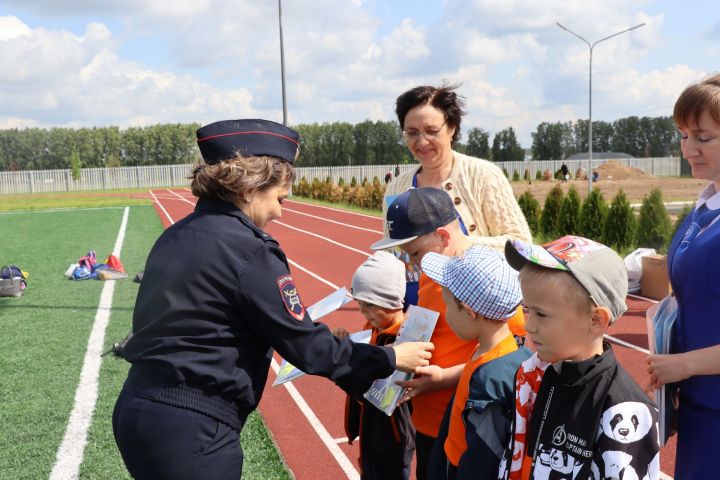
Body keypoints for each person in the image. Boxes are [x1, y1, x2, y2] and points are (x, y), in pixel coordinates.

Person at [112, 119, 434, 480]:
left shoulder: (176, 235)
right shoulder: (249, 250)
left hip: (136, 408)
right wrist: (390, 357)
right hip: (192, 429)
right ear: (250, 185)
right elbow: (308, 348)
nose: (284, 207)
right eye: (280, 195)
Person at [371, 187, 526, 480]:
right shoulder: (433, 270)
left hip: (461, 422)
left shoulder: (486, 279)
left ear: (443, 237)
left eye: (414, 253)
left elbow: (509, 353)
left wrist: (443, 378)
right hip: (428, 420)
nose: (412, 263)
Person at [499, 235, 659, 479]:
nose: (528, 326)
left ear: (596, 320)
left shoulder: (624, 408)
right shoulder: (535, 375)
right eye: (527, 310)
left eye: (541, 314)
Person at [645, 73, 720, 479]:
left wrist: (683, 365)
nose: (688, 148)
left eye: (703, 137)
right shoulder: (705, 205)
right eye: (682, 134)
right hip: (695, 402)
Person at [420, 247, 532, 480]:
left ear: (470, 313)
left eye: (448, 305)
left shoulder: (489, 381)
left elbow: (483, 458)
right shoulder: (507, 352)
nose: (447, 313)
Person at [334, 251, 415, 480]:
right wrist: (347, 344)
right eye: (359, 304)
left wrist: (341, 361)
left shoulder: (401, 341)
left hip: (391, 440)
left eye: (369, 305)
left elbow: (373, 392)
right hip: (373, 433)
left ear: (390, 300)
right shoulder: (375, 328)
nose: (362, 312)